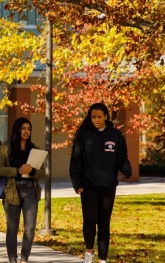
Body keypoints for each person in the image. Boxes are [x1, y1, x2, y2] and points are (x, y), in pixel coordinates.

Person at [69, 103, 132, 263]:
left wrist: (126, 168)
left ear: (106, 116)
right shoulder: (83, 134)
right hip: (88, 185)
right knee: (89, 221)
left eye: (99, 117)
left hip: (108, 186)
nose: (95, 120)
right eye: (93, 117)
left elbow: (121, 157)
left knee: (104, 223)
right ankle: (89, 253)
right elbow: (76, 160)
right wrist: (77, 183)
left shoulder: (115, 135)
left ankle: (103, 259)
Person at [0, 117, 46, 263]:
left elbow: (42, 173)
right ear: (17, 129)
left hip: (30, 190)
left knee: (30, 228)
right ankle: (13, 259)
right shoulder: (6, 147)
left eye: (28, 129)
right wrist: (17, 171)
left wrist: (32, 170)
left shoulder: (34, 149)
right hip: (12, 190)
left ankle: (24, 258)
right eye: (23, 128)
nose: (26, 131)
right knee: (12, 229)